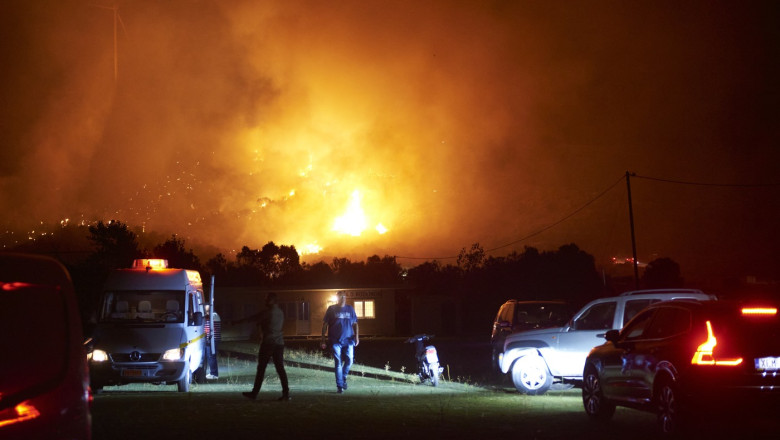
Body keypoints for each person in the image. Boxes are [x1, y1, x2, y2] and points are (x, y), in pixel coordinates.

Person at [235, 292, 290, 401]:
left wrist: (237, 322)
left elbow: (253, 318)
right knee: (280, 369)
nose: (265, 301)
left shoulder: (268, 312)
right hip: (279, 343)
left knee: (261, 368)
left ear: (272, 301)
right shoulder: (280, 312)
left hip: (269, 343)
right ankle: (286, 393)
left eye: (267, 300)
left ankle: (254, 393)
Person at [320, 291, 359, 393]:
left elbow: (355, 323)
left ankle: (343, 377)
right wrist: (323, 339)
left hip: (349, 340)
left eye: (345, 296)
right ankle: (340, 386)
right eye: (341, 296)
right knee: (338, 363)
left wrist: (357, 337)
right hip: (335, 340)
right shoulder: (331, 309)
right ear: (338, 298)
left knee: (349, 360)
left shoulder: (350, 309)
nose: (343, 298)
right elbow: (325, 325)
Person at [205, 309, 221, 379]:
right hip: (211, 339)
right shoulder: (213, 315)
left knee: (211, 356)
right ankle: (213, 372)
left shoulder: (214, 315)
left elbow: (211, 327)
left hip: (213, 339)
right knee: (210, 356)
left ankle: (214, 374)